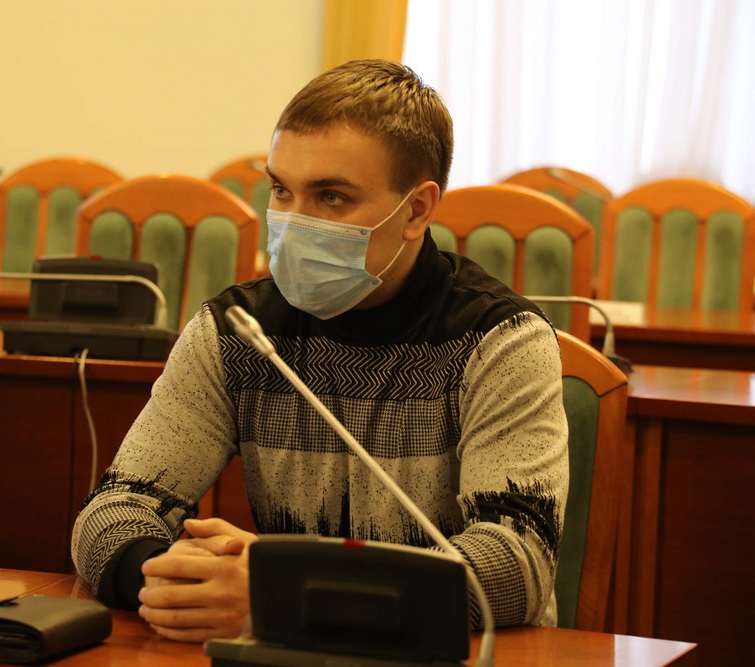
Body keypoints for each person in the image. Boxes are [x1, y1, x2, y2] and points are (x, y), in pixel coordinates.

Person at [71, 59, 569, 643]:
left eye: (331, 197)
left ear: (416, 209)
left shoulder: (500, 339)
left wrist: (287, 593)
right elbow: (111, 511)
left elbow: (514, 566)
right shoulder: (237, 331)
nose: (293, 222)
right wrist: (171, 576)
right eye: (281, 190)